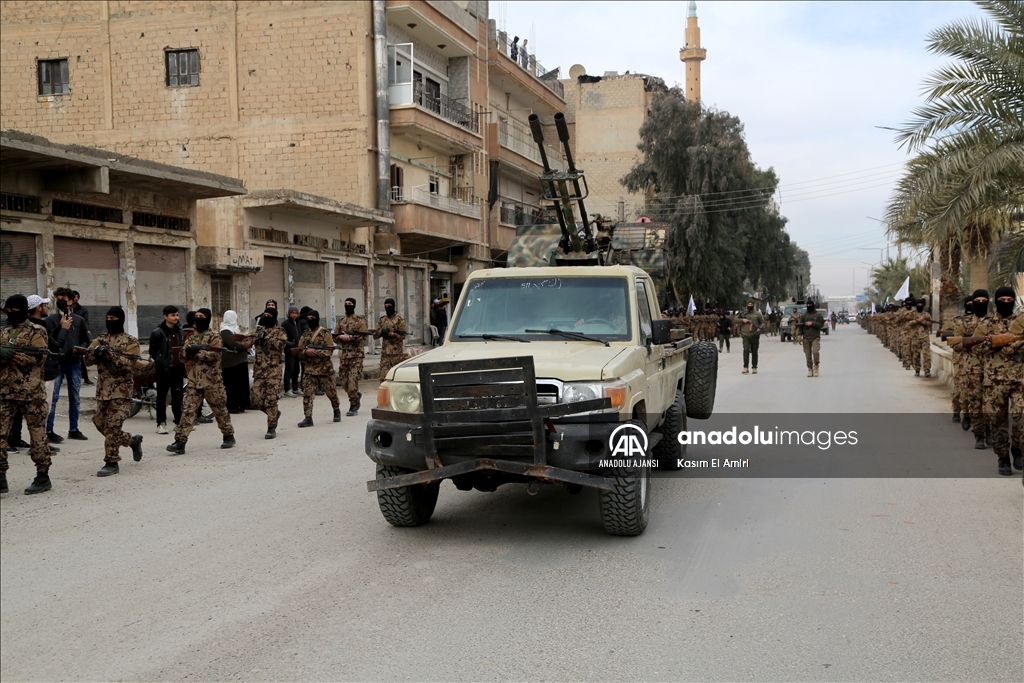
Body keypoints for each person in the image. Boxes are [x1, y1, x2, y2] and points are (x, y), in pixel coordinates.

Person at [83, 306, 146, 477]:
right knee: (99, 421)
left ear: (121, 320)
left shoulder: (130, 341)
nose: (110, 321)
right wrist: (96, 354)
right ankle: (132, 441)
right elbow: (87, 360)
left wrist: (112, 356)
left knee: (112, 425)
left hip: (121, 391)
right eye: (108, 318)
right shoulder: (100, 339)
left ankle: (111, 461)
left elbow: (131, 363)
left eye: (113, 319)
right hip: (103, 390)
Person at [1, 294, 53, 495]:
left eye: (14, 310)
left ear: (23, 310)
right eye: (8, 310)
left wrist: (13, 355)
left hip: (31, 392)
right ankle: (0, 476)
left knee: (37, 434)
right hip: (5, 392)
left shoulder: (36, 330)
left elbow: (39, 359)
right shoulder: (4, 332)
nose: (10, 313)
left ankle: (43, 476)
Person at [166, 308, 235, 454]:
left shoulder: (214, 336)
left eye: (201, 316)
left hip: (212, 381)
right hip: (194, 381)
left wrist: (197, 353)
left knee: (220, 410)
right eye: (196, 316)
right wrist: (187, 352)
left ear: (207, 319)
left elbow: (215, 355)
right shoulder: (191, 337)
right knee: (188, 411)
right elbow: (182, 356)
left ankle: (228, 435)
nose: (198, 318)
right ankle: (180, 441)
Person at [972, 286, 1022, 475]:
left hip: (1020, 380)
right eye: (1003, 300)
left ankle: (1018, 450)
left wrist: (1012, 343)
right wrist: (997, 342)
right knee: (997, 421)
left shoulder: (1021, 322)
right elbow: (975, 348)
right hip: (994, 382)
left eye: (1010, 300)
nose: (1006, 303)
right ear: (996, 300)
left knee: (1020, 420)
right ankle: (1003, 458)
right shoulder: (986, 324)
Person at [44, 287, 90, 443]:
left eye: (63, 297)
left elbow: (85, 339)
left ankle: (74, 429)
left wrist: (81, 349)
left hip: (74, 363)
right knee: (53, 397)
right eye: (58, 297)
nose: (60, 300)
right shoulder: (50, 321)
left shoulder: (79, 320)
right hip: (56, 363)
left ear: (71, 301)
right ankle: (49, 430)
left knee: (75, 397)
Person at [246, 307, 288, 439]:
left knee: (271, 400)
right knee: (256, 400)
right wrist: (255, 338)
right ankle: (274, 414)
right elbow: (244, 342)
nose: (266, 316)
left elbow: (281, 345)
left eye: (269, 315)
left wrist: (267, 338)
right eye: (265, 314)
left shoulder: (280, 331)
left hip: (273, 372)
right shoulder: (257, 330)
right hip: (259, 371)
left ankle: (271, 428)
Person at [954, 290, 989, 448]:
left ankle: (989, 430)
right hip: (972, 367)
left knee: (991, 403)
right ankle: (979, 434)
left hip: (994, 368)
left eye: (984, 300)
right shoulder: (964, 322)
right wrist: (974, 340)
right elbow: (956, 344)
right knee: (975, 401)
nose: (981, 303)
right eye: (978, 300)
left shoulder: (995, 321)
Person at [297, 309, 341, 426]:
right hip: (310, 370)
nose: (310, 320)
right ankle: (308, 417)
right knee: (307, 394)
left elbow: (329, 351)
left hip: (325, 369)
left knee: (331, 392)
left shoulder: (325, 333)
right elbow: (298, 351)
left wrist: (315, 352)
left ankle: (336, 410)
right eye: (309, 318)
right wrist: (306, 353)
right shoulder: (305, 334)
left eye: (313, 318)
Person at [149, 305, 185, 435]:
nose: (176, 318)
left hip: (178, 369)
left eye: (177, 315)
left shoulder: (180, 331)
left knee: (177, 397)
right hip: (163, 370)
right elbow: (153, 352)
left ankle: (179, 422)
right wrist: (162, 361)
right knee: (162, 398)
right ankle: (161, 423)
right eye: (172, 315)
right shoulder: (157, 332)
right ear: (165, 317)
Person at [334, 297, 367, 416]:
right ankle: (356, 395)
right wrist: (340, 338)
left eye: (350, 303)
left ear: (354, 305)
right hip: (344, 355)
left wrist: (350, 338)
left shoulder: (359, 321)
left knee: (352, 383)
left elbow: (363, 337)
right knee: (344, 382)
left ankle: (353, 404)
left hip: (356, 356)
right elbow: (335, 336)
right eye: (346, 303)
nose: (348, 305)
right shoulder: (341, 321)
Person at [219, 310, 250, 414]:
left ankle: (239, 404)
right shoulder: (225, 330)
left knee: (240, 385)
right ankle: (232, 406)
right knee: (232, 385)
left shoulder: (235, 329)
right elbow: (232, 344)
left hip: (239, 361)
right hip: (231, 363)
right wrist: (245, 345)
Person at [374, 298, 407, 382]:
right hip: (385, 354)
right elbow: (375, 336)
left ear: (393, 306)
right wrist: (381, 332)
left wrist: (394, 334)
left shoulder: (399, 320)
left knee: (397, 378)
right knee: (383, 378)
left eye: (389, 305)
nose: (387, 307)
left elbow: (403, 336)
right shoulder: (382, 320)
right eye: (385, 306)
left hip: (397, 355)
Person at [737, 300, 765, 374]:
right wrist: (743, 320)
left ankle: (754, 367)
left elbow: (763, 323)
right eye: (748, 304)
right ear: (746, 305)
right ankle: (745, 367)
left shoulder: (757, 314)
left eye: (751, 304)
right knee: (746, 350)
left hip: (755, 335)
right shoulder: (743, 313)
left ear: (753, 305)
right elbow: (735, 320)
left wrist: (760, 328)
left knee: (754, 351)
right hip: (745, 335)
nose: (750, 305)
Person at [72, 291, 94, 386]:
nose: (76, 298)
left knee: (81, 356)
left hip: (79, 335)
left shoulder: (82, 310)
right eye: (74, 297)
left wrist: (87, 330)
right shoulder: (67, 309)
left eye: (77, 296)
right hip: (69, 334)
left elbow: (86, 322)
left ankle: (85, 378)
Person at [800, 299, 825, 377]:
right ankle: (810, 369)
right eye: (807, 305)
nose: (809, 307)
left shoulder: (818, 315)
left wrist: (812, 323)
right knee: (807, 354)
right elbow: (800, 326)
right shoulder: (803, 316)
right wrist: (799, 335)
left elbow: (821, 324)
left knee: (815, 352)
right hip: (806, 337)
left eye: (810, 305)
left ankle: (816, 367)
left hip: (815, 337)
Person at [908, 298, 932, 377]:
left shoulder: (926, 314)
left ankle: (927, 370)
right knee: (915, 354)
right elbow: (908, 323)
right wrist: (917, 321)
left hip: (924, 337)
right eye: (918, 304)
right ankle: (917, 370)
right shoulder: (912, 314)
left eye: (921, 304)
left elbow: (930, 324)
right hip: (915, 337)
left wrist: (923, 321)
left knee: (926, 354)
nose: (920, 305)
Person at [282, 306, 302, 397]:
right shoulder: (285, 324)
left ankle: (295, 388)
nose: (294, 315)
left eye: (295, 313)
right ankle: (287, 389)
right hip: (290, 350)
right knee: (289, 370)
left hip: (297, 350)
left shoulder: (298, 323)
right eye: (292, 313)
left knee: (296, 370)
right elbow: (283, 338)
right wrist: (290, 344)